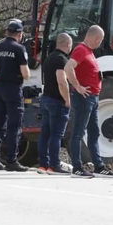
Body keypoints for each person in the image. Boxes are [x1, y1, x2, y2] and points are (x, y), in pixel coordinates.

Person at [64, 25, 113, 178]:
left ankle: (99, 166)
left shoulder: (90, 52)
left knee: (94, 133)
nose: (100, 43)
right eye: (100, 40)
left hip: (93, 98)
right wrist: (78, 87)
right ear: (96, 38)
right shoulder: (81, 50)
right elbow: (68, 68)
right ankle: (77, 168)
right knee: (78, 132)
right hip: (84, 98)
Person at [0, 19, 31, 172]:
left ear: (7, 32)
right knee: (14, 125)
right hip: (14, 88)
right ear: (20, 34)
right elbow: (25, 74)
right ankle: (11, 161)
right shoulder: (19, 49)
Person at [37, 32, 73, 175]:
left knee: (45, 133)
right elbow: (62, 81)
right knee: (56, 135)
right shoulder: (61, 60)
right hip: (57, 101)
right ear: (68, 44)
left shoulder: (49, 58)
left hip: (46, 99)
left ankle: (43, 164)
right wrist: (67, 100)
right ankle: (54, 165)